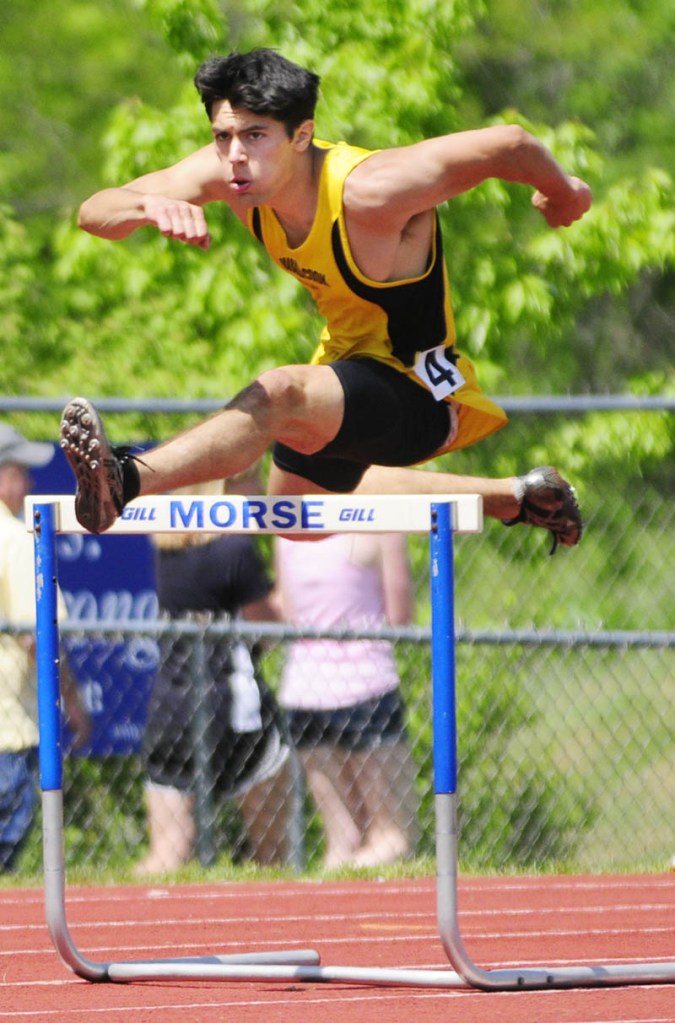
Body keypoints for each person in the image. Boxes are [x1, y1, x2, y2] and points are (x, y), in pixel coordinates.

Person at [60, 48, 587, 551]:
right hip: (346, 375)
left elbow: (509, 143)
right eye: (223, 137)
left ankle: (124, 478)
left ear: (301, 134)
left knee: (281, 392)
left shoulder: (373, 190)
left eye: (255, 135)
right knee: (295, 514)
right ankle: (515, 496)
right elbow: (94, 211)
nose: (236, 155)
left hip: (420, 393)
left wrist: (565, 194)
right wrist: (146, 206)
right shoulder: (227, 172)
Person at [136, 476, 294, 874]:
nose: (258, 492)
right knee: (272, 855)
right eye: (251, 482)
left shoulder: (165, 546)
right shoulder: (235, 549)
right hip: (233, 710)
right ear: (227, 490)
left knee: (168, 855)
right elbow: (268, 629)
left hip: (171, 706)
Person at [275, 532, 419, 868]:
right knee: (391, 836)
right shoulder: (380, 522)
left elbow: (287, 609)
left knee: (342, 843)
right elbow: (399, 614)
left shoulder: (290, 525)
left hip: (304, 687)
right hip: (366, 683)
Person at [0, 425, 90, 872]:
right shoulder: (16, 540)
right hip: (9, 730)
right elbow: (39, 636)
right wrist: (71, 701)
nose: (29, 484)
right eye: (19, 471)